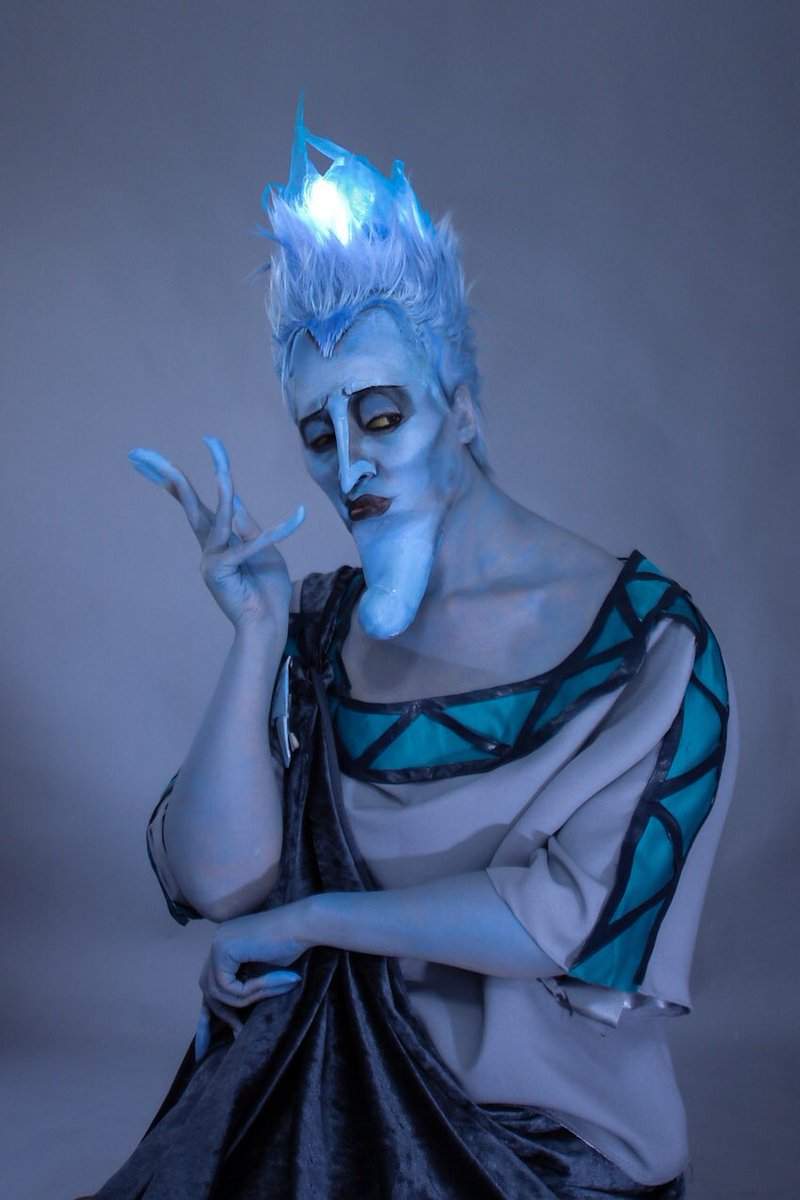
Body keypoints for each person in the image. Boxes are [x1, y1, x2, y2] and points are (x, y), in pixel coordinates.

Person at [91, 99, 738, 1198]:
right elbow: (217, 885)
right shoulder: (316, 628)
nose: (348, 466)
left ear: (462, 410)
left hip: (536, 1145)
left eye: (382, 416)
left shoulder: (652, 647)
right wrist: (256, 636)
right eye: (318, 433)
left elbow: (558, 919)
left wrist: (313, 920)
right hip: (310, 1102)